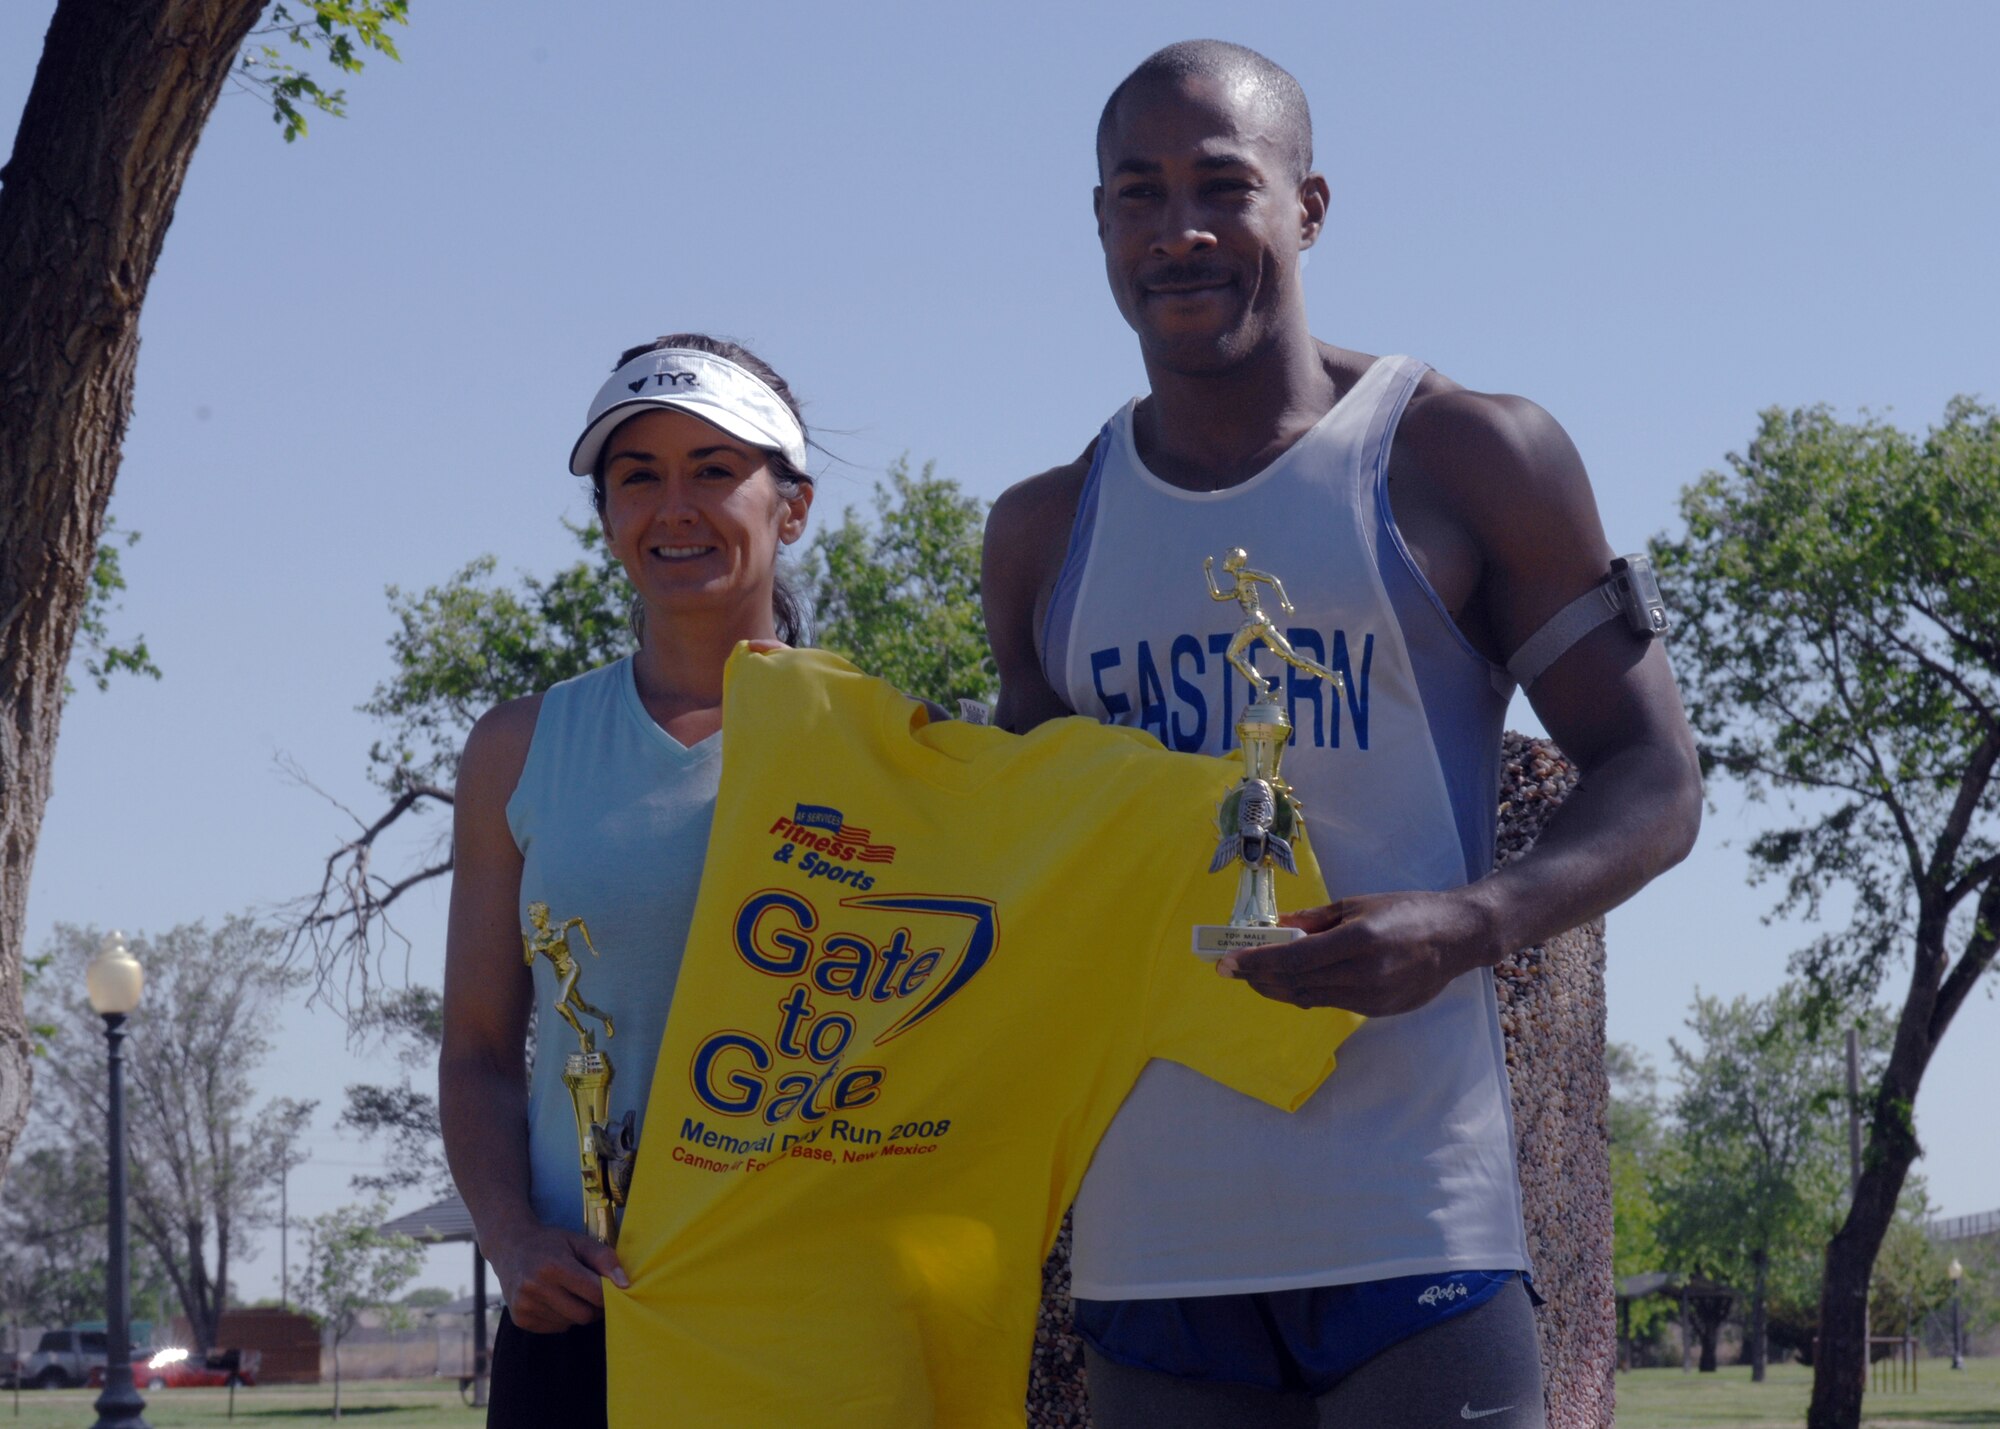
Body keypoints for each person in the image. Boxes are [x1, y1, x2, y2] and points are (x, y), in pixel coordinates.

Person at [982, 40, 1704, 1429]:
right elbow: (1031, 857)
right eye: (1140, 194)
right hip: (1152, 1249)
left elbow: (1656, 778)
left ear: (1307, 208)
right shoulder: (1042, 531)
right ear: (1099, 225)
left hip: (1416, 1230)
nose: (1180, 230)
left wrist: (1469, 923)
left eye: (1224, 186)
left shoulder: (1468, 454)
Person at [440, 332, 815, 1429]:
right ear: (605, 516)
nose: (674, 506)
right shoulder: (518, 747)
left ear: (789, 506)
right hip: (583, 1325)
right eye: (637, 476)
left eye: (713, 468)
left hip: (803, 1315)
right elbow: (474, 1050)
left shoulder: (882, 744)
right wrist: (512, 1237)